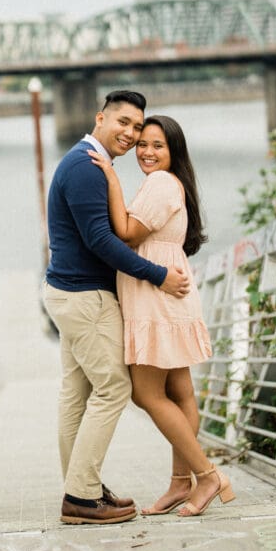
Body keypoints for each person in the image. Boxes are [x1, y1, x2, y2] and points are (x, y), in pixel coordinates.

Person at [43, 90, 191, 526]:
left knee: (77, 395)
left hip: (68, 293)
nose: (129, 134)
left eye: (136, 127)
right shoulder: (87, 167)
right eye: (123, 123)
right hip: (85, 296)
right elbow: (103, 241)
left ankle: (80, 488)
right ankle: (83, 497)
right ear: (100, 118)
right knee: (113, 390)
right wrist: (158, 274)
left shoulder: (84, 162)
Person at [88, 114, 235, 517]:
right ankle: (179, 483)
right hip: (165, 293)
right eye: (143, 145)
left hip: (158, 295)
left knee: (146, 393)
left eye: (158, 146)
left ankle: (206, 476)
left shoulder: (160, 183)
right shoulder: (171, 184)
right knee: (179, 391)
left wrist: (112, 182)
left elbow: (128, 233)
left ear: (173, 152)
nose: (147, 152)